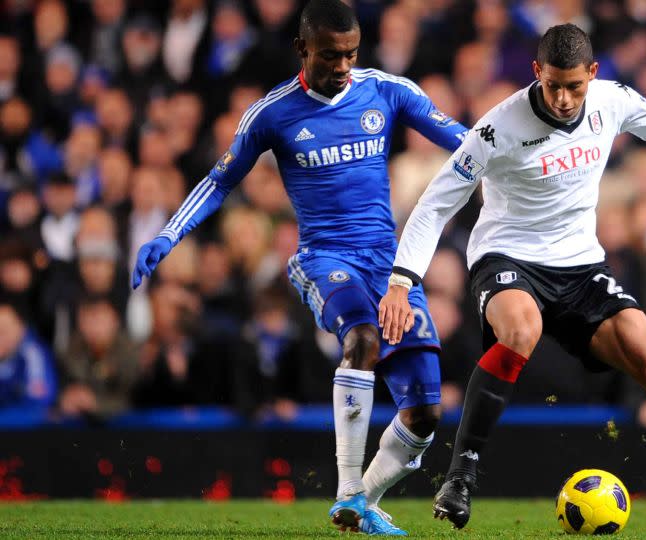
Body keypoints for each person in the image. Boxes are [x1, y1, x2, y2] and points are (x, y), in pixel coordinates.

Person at [380, 24, 646, 535]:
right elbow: (435, 203)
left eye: (573, 87)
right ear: (537, 72)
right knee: (522, 329)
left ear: (593, 75)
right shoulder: (496, 128)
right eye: (552, 84)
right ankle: (461, 478)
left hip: (580, 265)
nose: (562, 97)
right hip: (507, 255)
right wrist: (402, 282)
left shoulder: (611, 100)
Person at [129, 0, 467, 535]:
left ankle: (363, 503)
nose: (343, 66)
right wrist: (169, 234)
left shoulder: (388, 90)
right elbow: (220, 181)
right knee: (361, 336)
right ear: (302, 49)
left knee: (425, 412)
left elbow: (469, 147)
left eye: (351, 54)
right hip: (324, 257)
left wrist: (524, 164)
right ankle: (347, 488)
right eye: (331, 55)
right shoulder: (272, 113)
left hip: (390, 265)